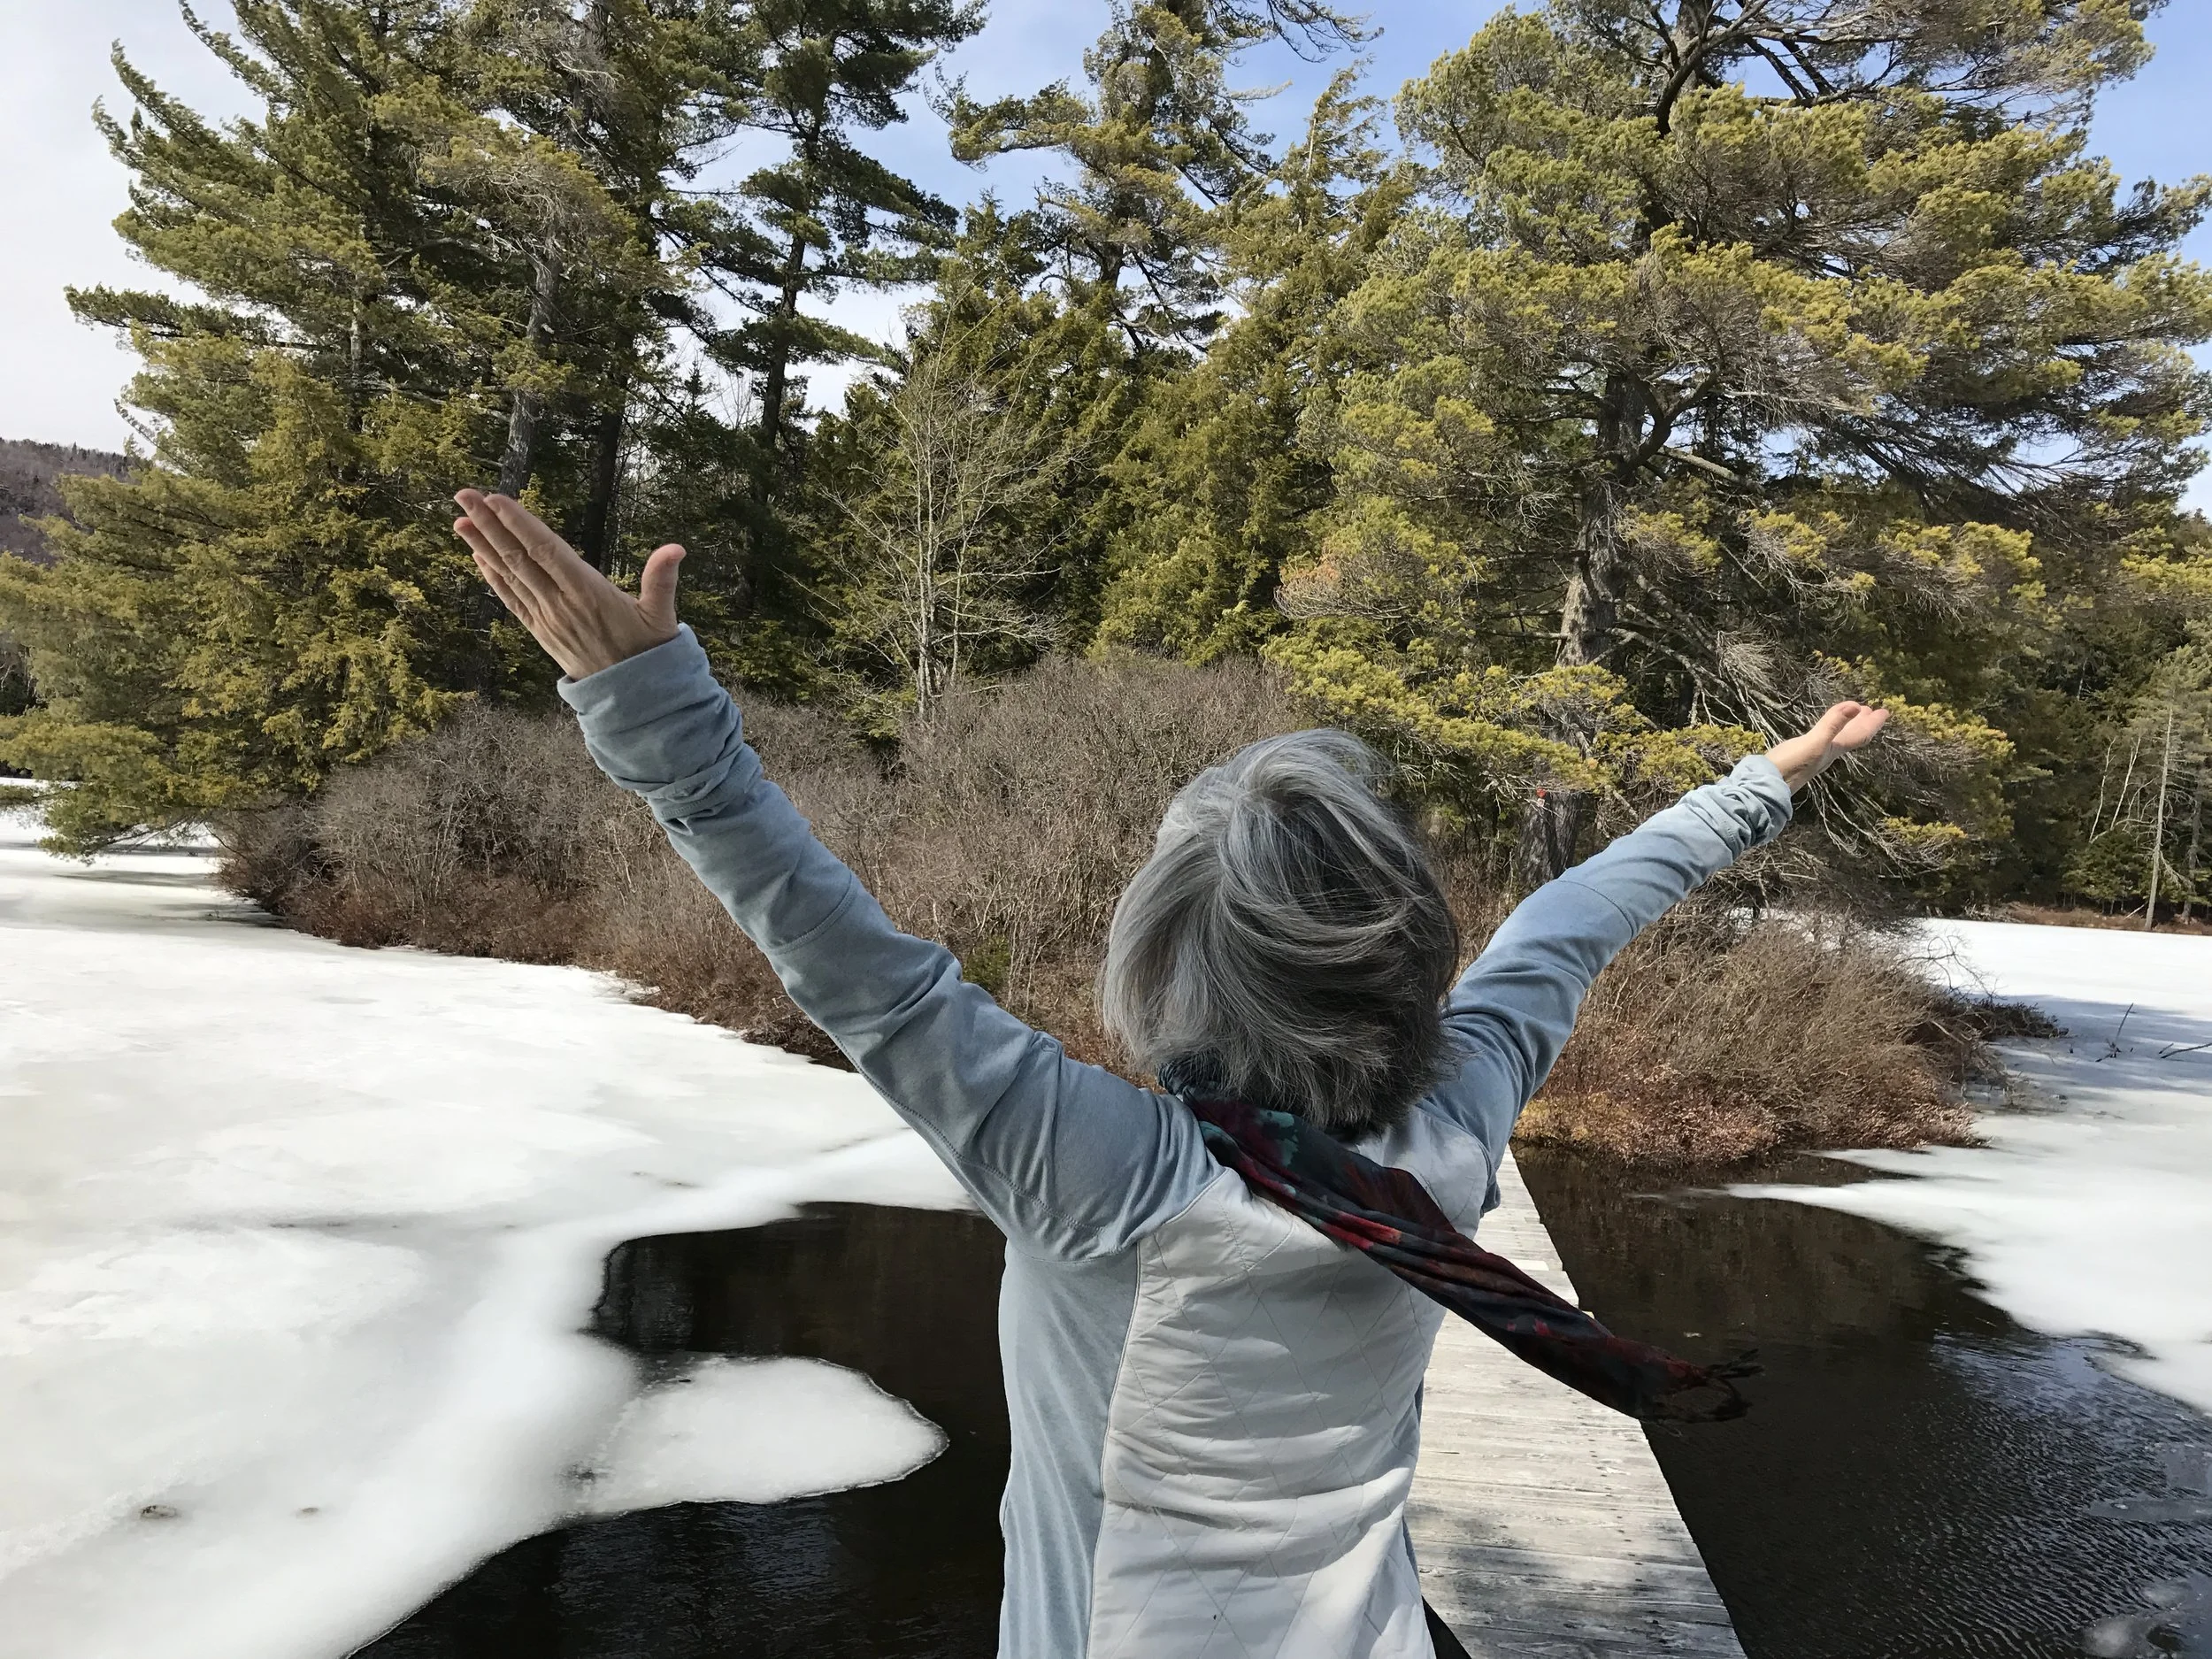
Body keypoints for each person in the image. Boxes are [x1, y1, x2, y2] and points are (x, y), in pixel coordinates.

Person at [451, 490, 1888, 1659]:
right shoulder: (1453, 1121)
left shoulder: (1097, 1173)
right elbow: (1576, 918)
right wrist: (1772, 776)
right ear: (1406, 950)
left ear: (1160, 958)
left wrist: (649, 702)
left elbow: (838, 952)